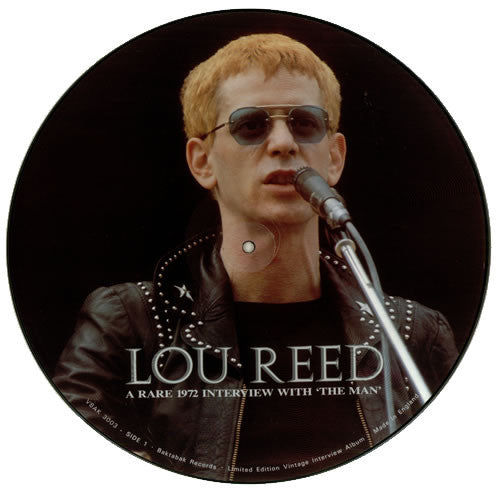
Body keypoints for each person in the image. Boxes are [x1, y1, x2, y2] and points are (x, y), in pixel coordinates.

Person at [53, 34, 458, 482]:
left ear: (335, 157)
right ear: (202, 162)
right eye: (250, 125)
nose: (283, 143)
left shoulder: (413, 335)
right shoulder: (129, 325)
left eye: (305, 123)